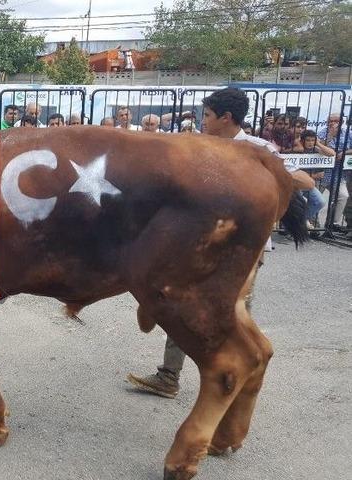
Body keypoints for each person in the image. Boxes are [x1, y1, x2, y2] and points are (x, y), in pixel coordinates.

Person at [127, 87, 315, 399]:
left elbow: (305, 181)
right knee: (183, 304)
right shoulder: (198, 147)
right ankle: (169, 375)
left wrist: (261, 177)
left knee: (234, 314)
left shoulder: (256, 149)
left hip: (241, 251)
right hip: (201, 244)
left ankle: (236, 379)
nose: (202, 121)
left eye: (208, 116)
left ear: (226, 118)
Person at [317, 113, 349, 230]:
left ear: (342, 122)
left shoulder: (347, 134)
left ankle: (332, 223)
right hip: (321, 172)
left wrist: (345, 152)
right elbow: (316, 146)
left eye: (336, 121)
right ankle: (313, 224)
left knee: (343, 196)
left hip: (338, 173)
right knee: (315, 199)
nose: (332, 123)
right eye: (330, 120)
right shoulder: (322, 132)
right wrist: (330, 135)